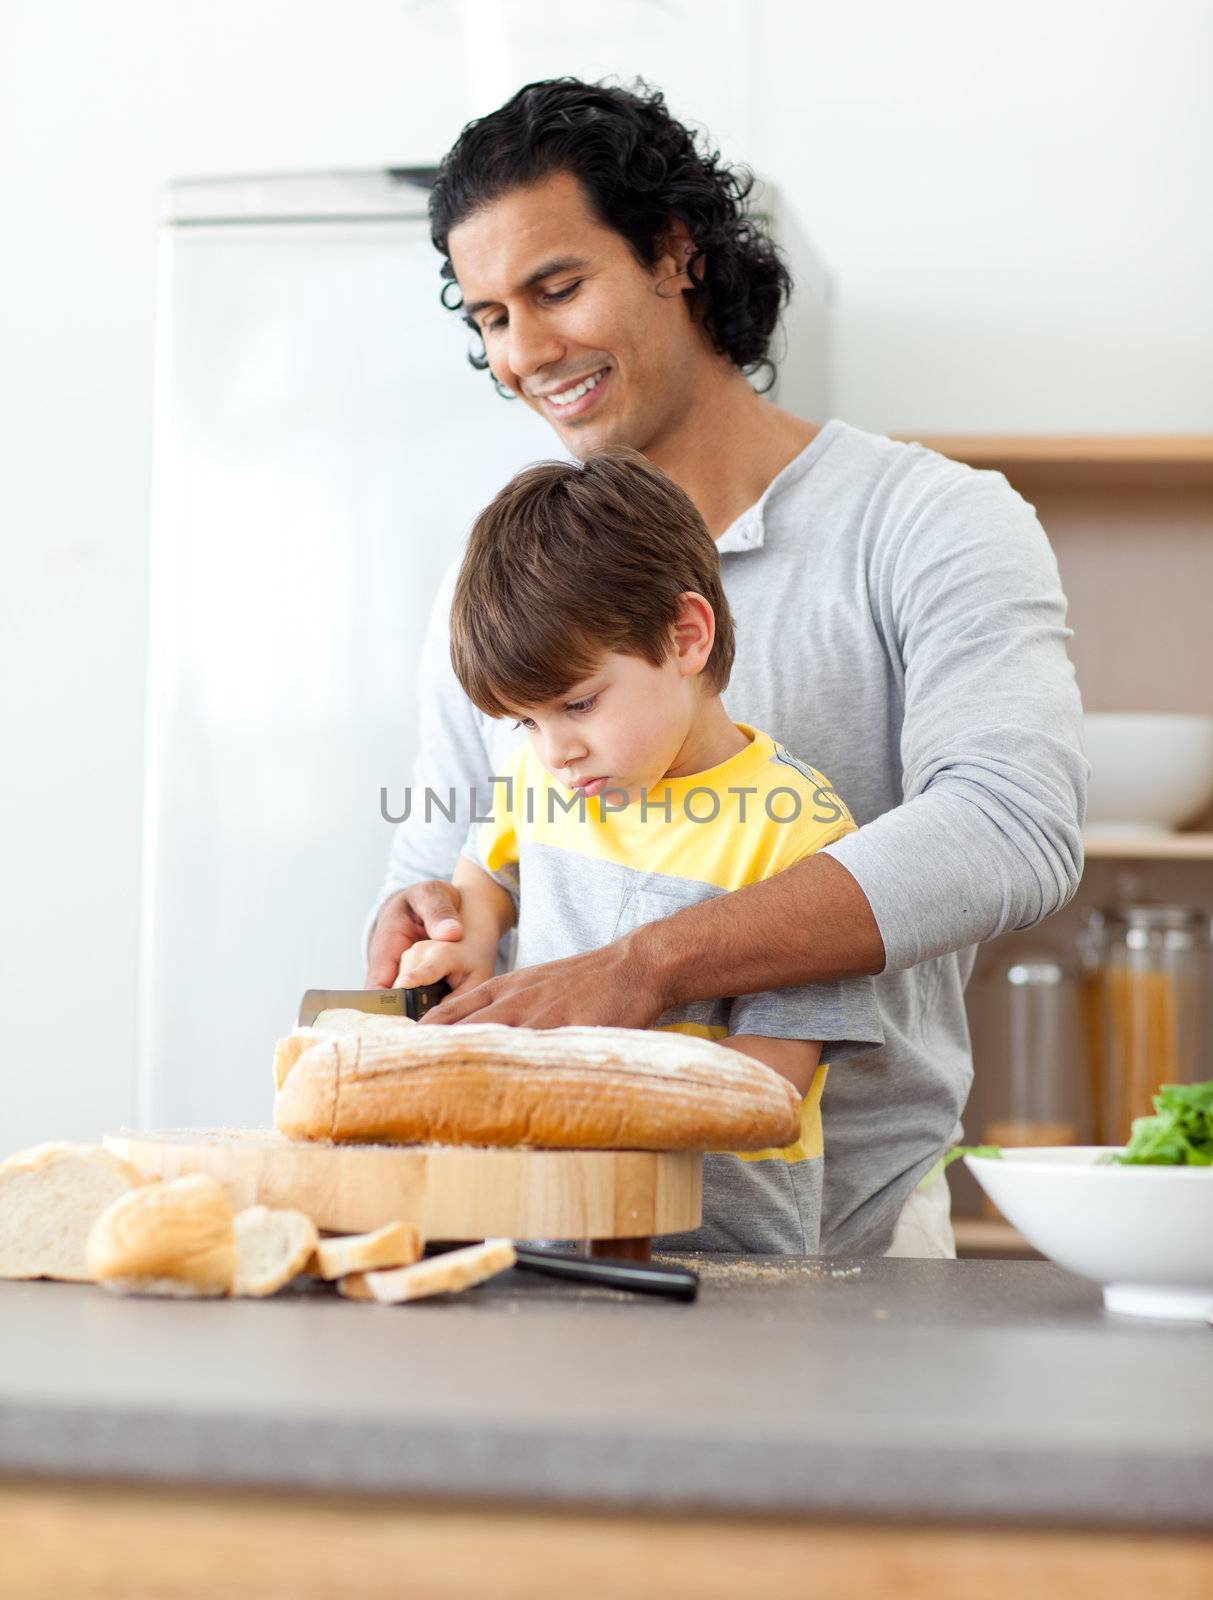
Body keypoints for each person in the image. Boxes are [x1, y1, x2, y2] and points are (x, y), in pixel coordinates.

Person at [364, 79, 1087, 1258]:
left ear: (674, 252)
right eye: (491, 315)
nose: (525, 352)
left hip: (840, 1243)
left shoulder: (930, 522)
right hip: (556, 1230)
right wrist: (427, 917)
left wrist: (642, 968)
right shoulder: (500, 583)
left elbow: (1012, 826)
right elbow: (447, 839)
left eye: (557, 288)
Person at [395, 446, 884, 1254]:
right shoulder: (545, 778)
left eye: (578, 703)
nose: (555, 751)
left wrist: (581, 1088)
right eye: (526, 722)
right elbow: (486, 873)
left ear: (686, 636)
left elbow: (774, 1083)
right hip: (548, 1225)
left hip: (723, 1248)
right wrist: (465, 944)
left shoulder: (799, 830)